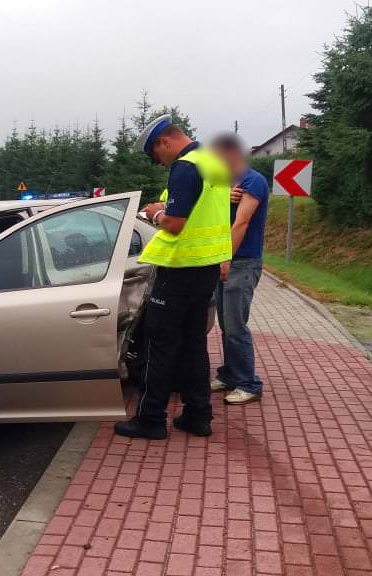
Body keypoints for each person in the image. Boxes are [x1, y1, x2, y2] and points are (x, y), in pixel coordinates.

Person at [114, 115, 232, 439]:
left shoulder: (184, 167)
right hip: (205, 269)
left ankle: (150, 419)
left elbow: (176, 223)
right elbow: (212, 215)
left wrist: (154, 213)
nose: (158, 161)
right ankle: (198, 416)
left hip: (179, 270)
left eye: (156, 155)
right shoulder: (212, 163)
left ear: (165, 142)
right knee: (194, 345)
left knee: (159, 345)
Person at [210, 134, 269, 404]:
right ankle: (230, 375)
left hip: (241, 263)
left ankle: (249, 383)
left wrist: (226, 258)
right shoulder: (227, 184)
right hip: (227, 261)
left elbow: (241, 224)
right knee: (225, 324)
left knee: (236, 326)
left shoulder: (253, 181)